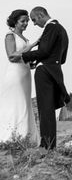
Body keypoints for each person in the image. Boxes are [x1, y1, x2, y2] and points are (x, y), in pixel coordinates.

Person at [9, 7, 70, 150]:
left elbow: (44, 51)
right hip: (54, 70)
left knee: (45, 109)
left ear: (41, 15)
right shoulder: (61, 30)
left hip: (45, 72)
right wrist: (43, 60)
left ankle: (46, 145)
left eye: (35, 20)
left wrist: (24, 56)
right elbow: (63, 58)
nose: (34, 24)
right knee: (48, 110)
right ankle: (49, 145)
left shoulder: (51, 28)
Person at [1, 9, 40, 145]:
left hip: (25, 75)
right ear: (15, 22)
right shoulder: (10, 35)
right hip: (15, 75)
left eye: (27, 21)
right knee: (16, 103)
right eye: (22, 21)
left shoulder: (25, 39)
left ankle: (25, 137)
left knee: (25, 103)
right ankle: (11, 137)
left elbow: (23, 58)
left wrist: (32, 63)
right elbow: (12, 56)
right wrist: (32, 46)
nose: (26, 24)